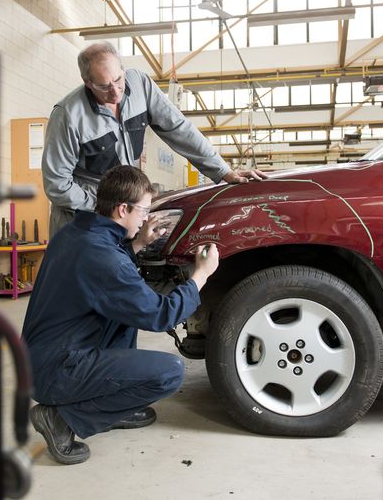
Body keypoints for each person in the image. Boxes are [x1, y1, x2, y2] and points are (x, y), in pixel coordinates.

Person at [21, 165, 220, 465]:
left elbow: (107, 273)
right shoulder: (104, 257)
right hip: (57, 371)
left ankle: (111, 407)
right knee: (168, 373)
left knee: (124, 315)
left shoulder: (76, 232)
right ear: (122, 208)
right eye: (143, 211)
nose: (145, 218)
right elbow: (159, 315)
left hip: (40, 359)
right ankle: (62, 417)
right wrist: (200, 276)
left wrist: (138, 243)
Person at [42, 40, 267, 237]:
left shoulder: (140, 85)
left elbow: (179, 128)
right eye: (104, 86)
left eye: (119, 80)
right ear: (87, 82)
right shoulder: (68, 115)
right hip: (80, 220)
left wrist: (222, 170)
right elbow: (57, 184)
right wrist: (104, 208)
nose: (115, 92)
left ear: (123, 68)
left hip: (121, 211)